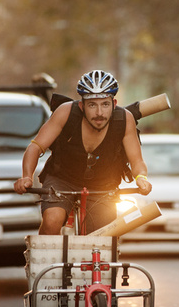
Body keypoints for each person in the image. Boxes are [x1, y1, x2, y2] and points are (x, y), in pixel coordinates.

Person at [14, 70, 152, 234]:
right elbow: (35, 147)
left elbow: (137, 161)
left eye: (105, 104)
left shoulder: (125, 119)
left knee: (104, 239)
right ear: (82, 105)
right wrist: (26, 177)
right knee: (52, 220)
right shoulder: (66, 112)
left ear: (114, 104)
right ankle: (42, 257)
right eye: (92, 105)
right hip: (61, 179)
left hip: (103, 185)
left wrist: (141, 178)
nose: (99, 113)